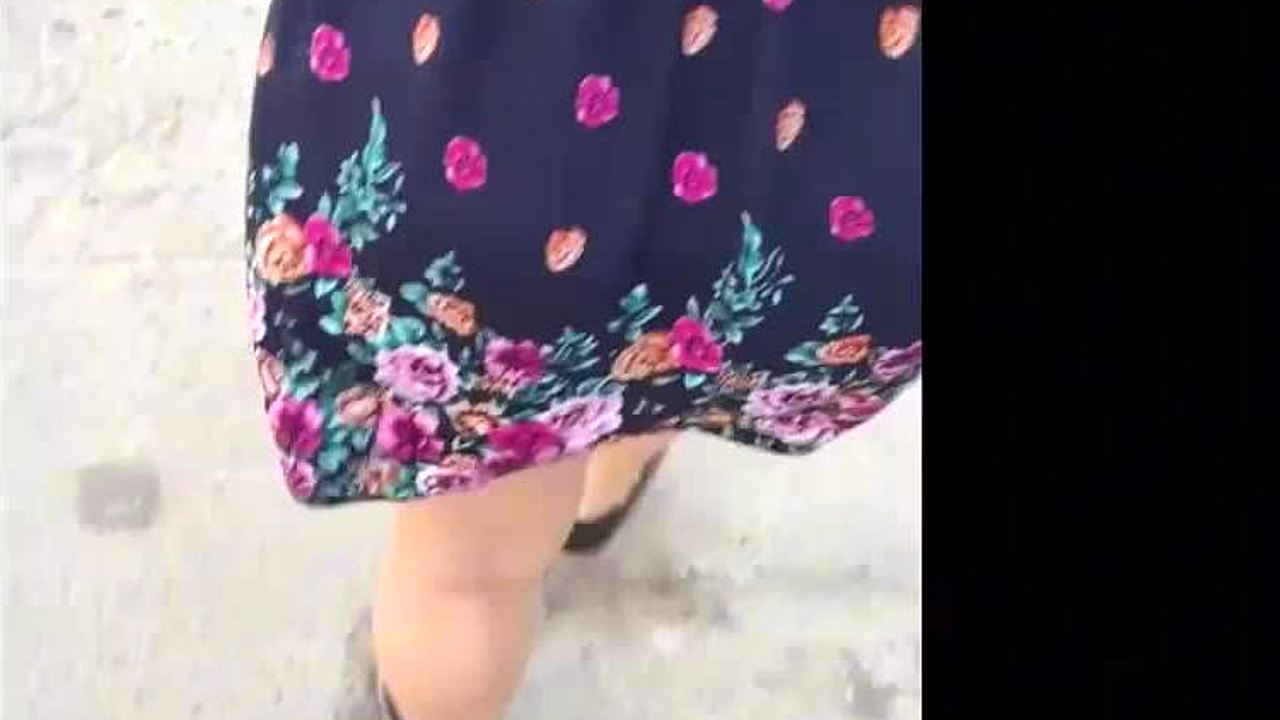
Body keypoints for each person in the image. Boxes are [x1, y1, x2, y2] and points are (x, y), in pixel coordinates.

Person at [245, 1, 921, 717]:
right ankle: (609, 481)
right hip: (839, 200)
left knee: (467, 572)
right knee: (684, 340)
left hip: (501, 171)